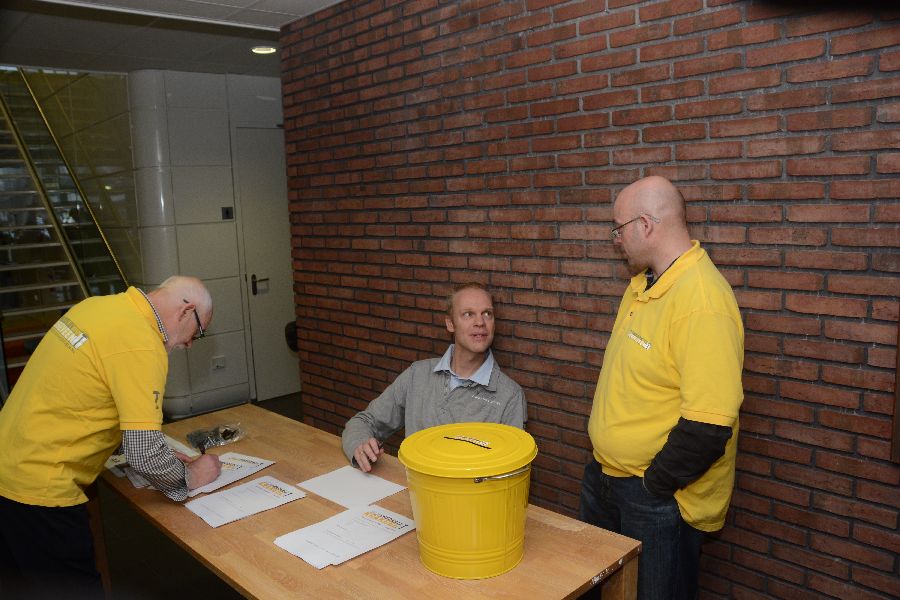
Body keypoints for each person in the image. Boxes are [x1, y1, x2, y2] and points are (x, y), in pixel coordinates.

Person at [0, 275, 223, 599]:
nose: (190, 343)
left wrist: (149, 448)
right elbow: (144, 455)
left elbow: (83, 397)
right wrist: (192, 475)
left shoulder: (96, 308)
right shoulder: (143, 343)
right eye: (198, 333)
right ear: (186, 311)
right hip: (40, 491)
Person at [579, 176, 744, 600]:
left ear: (645, 225)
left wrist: (652, 486)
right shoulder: (643, 285)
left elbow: (708, 426)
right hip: (606, 480)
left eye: (619, 228)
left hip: (652, 499)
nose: (616, 239)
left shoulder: (702, 300)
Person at [342, 282, 526, 471]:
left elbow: (511, 471)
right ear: (450, 324)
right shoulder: (417, 375)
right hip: (412, 487)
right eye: (468, 314)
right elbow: (365, 421)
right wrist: (360, 444)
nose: (480, 322)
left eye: (487, 313)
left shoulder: (509, 396)